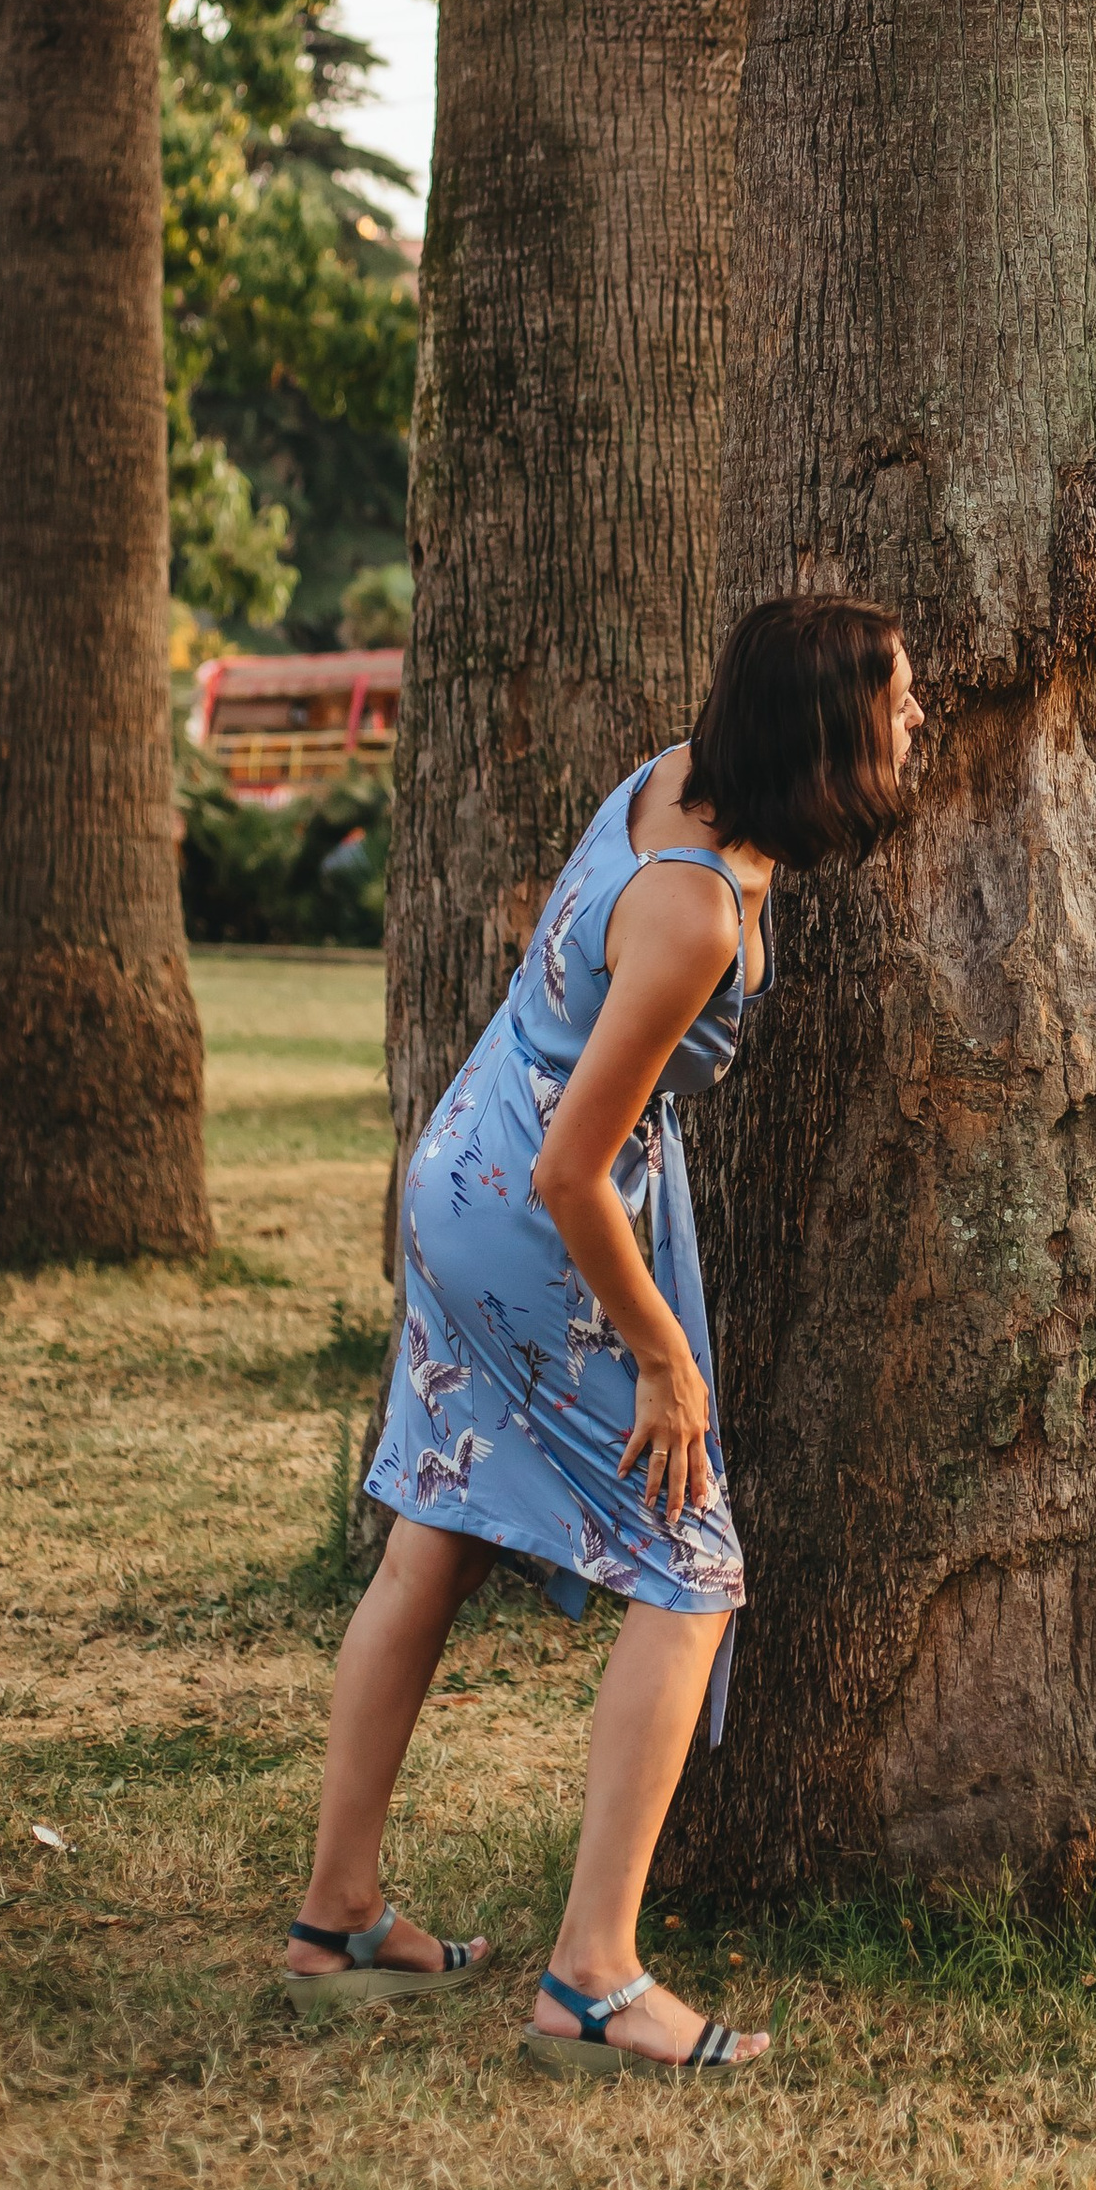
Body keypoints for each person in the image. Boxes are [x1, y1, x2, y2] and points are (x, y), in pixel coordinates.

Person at [280, 595, 922, 2079]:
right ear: (826, 731)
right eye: (897, 699)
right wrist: (662, 1356)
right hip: (537, 1216)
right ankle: (590, 1981)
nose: (917, 718)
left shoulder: (672, 775)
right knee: (692, 1568)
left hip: (461, 1167)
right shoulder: (695, 909)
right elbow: (578, 1168)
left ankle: (335, 1920)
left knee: (436, 1535)